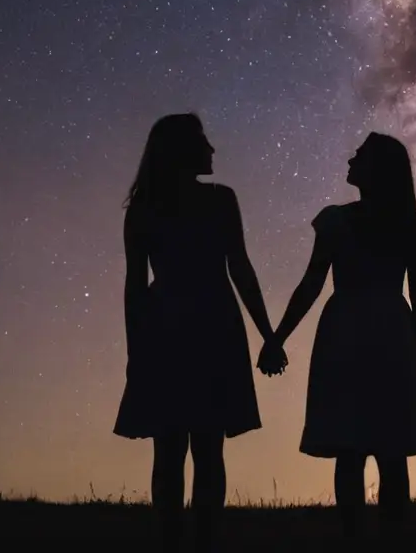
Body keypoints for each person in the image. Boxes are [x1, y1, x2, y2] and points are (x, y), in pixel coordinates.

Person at [262, 132, 416, 539]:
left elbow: (313, 285)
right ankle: (385, 539)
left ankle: (360, 538)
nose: (351, 159)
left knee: (358, 448)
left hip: (348, 331)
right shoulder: (401, 227)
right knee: (387, 447)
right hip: (386, 334)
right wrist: (415, 354)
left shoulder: (343, 222)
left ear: (378, 171)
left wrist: (278, 337)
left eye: (360, 156)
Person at [113, 112, 286, 553]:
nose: (212, 150)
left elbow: (137, 289)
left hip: (175, 325)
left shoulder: (151, 209)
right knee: (200, 450)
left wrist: (269, 334)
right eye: (204, 142)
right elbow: (239, 270)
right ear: (183, 151)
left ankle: (181, 542)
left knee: (175, 451)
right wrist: (268, 334)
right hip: (207, 323)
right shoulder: (213, 201)